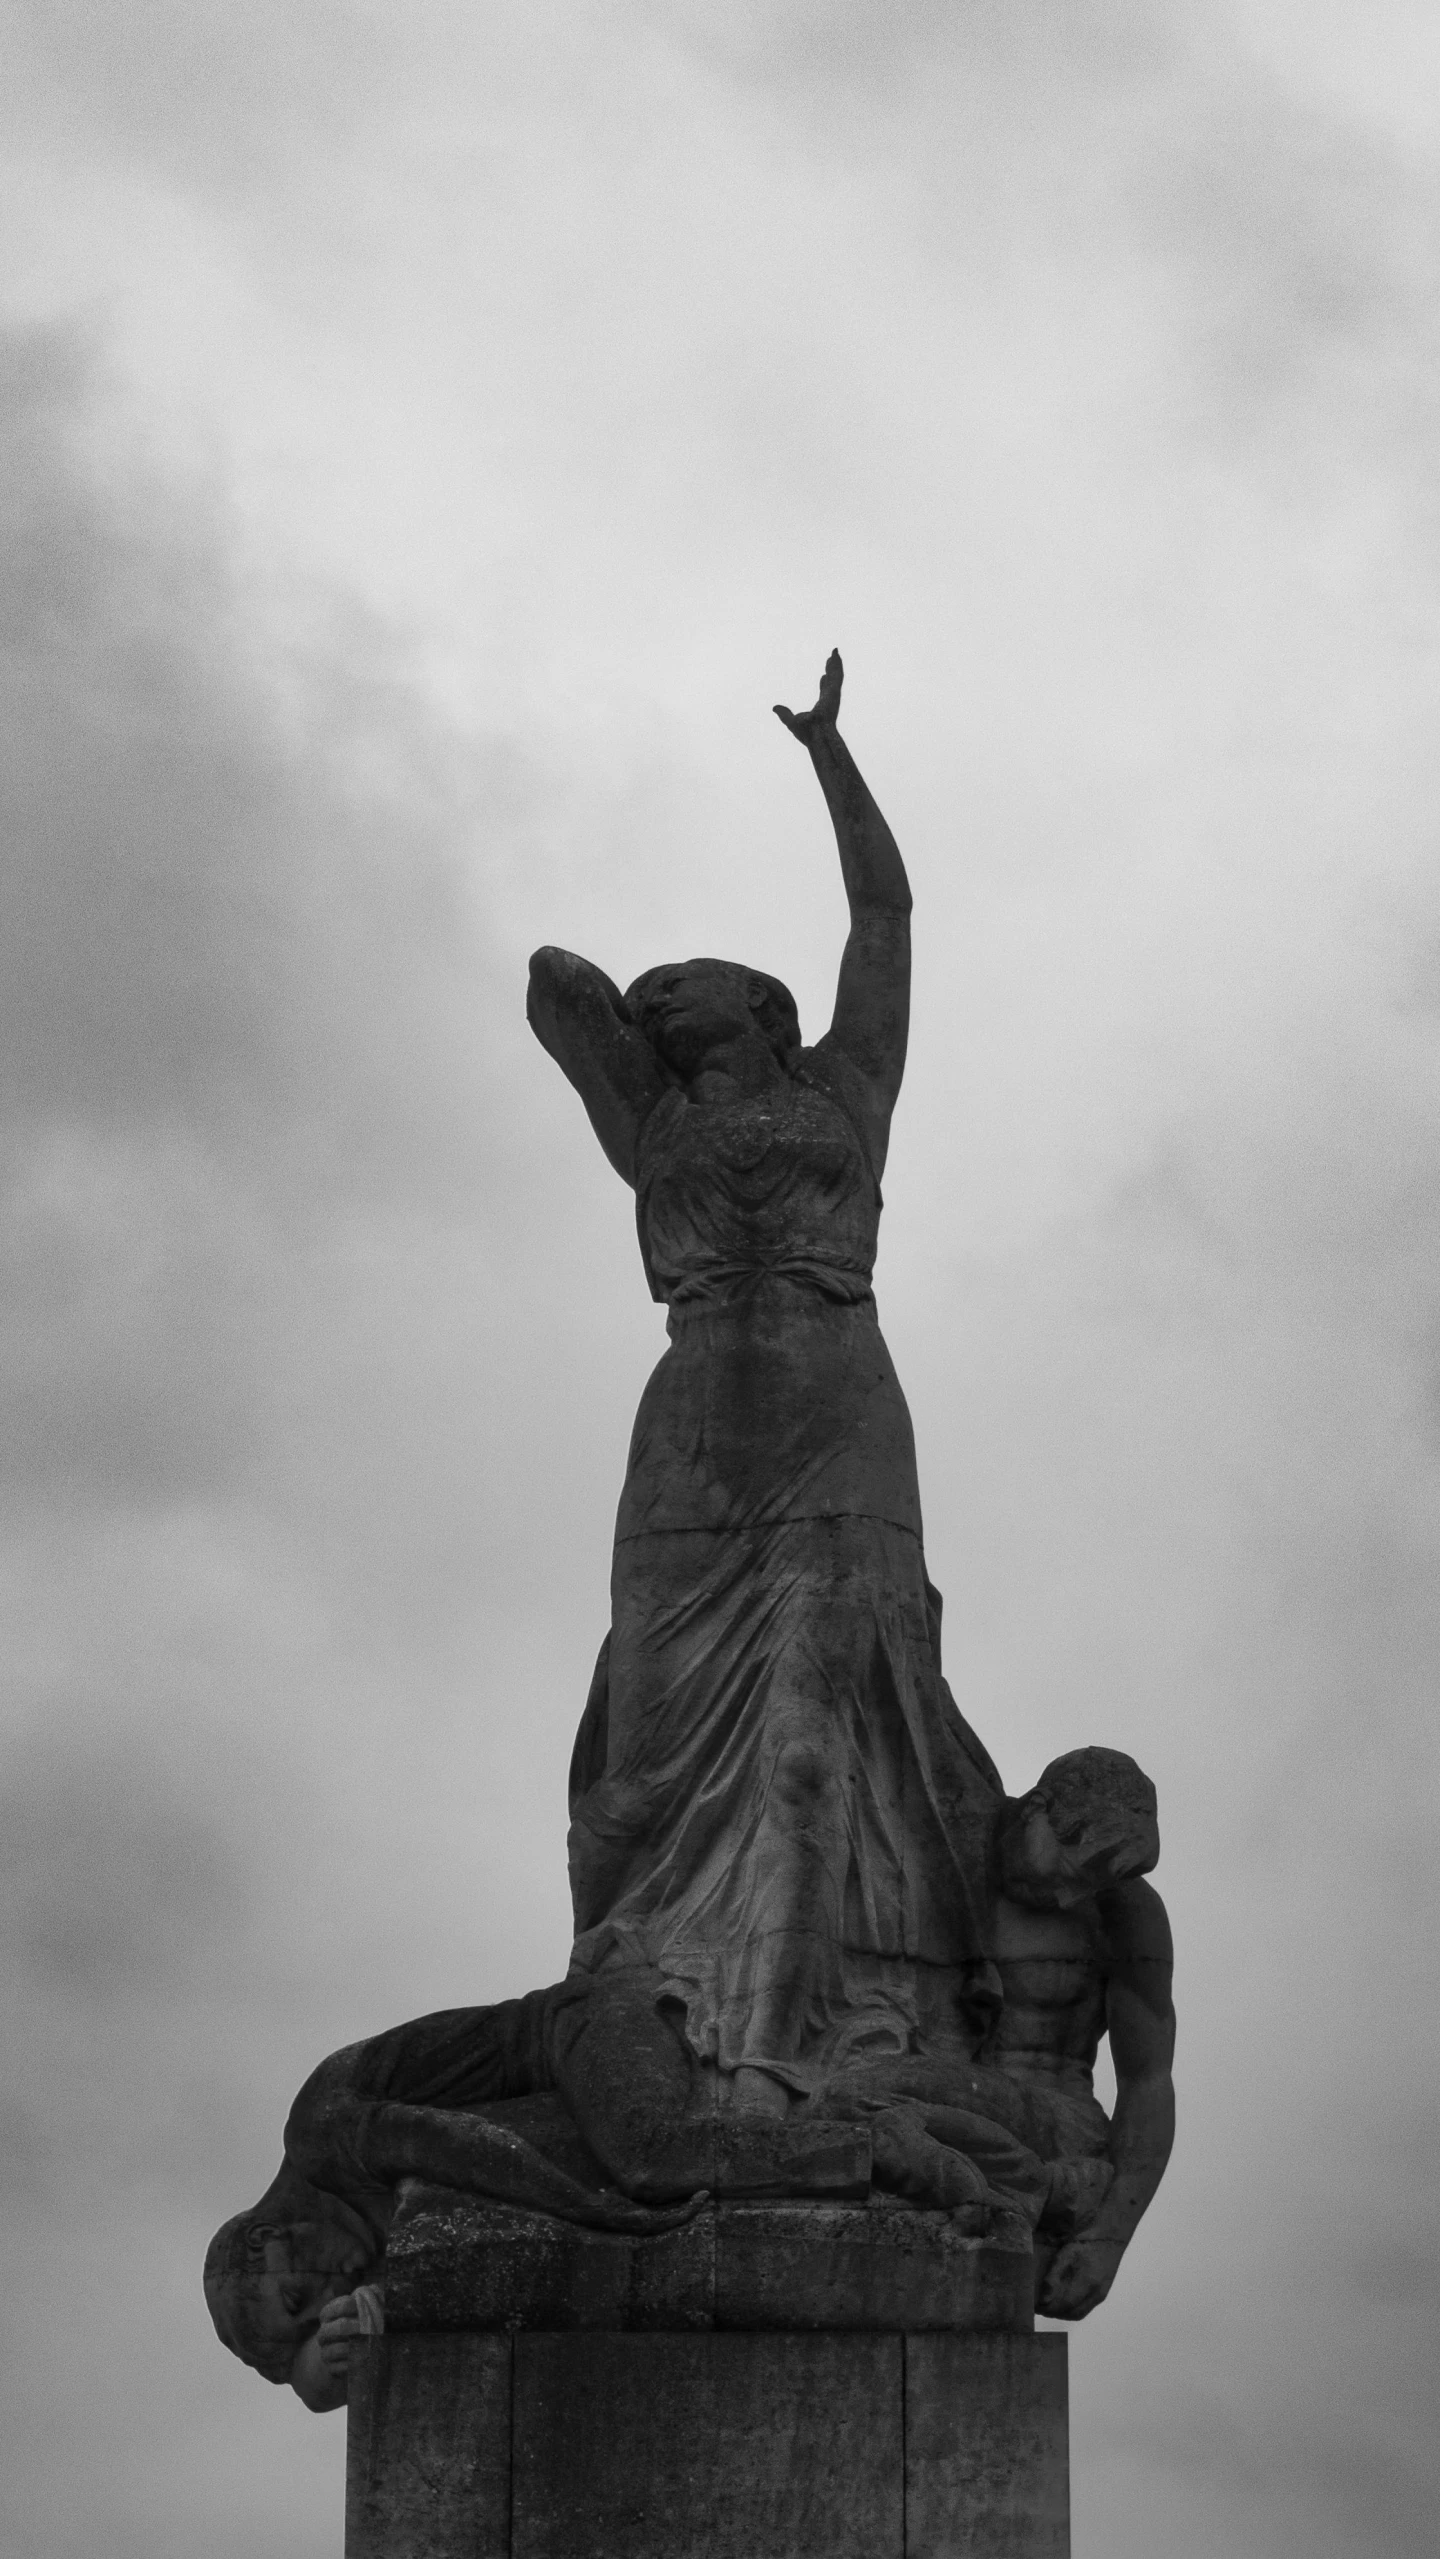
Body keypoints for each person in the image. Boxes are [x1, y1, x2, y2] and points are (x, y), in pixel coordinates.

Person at [529, 652, 1002, 2118]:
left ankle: (786, 2044)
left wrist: (830, 758)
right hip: (692, 1427)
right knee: (638, 1771)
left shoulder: (845, 1090)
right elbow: (554, 986)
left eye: (702, 979)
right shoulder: (651, 1118)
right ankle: (637, 1990)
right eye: (661, 989)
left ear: (770, 1005)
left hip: (831, 1404)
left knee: (809, 1747)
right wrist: (633, 1015)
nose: (670, 988)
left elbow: (887, 919)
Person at [813, 1745, 1175, 2318]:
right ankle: (1002, 2186)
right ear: (1036, 1811)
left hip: (1058, 2121)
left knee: (852, 2096)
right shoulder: (943, 1854)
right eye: (1075, 1871)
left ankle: (1023, 2187)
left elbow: (1147, 2081)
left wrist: (1109, 2238)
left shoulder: (1125, 1912)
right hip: (953, 2093)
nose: (1072, 1898)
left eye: (1097, 1886)